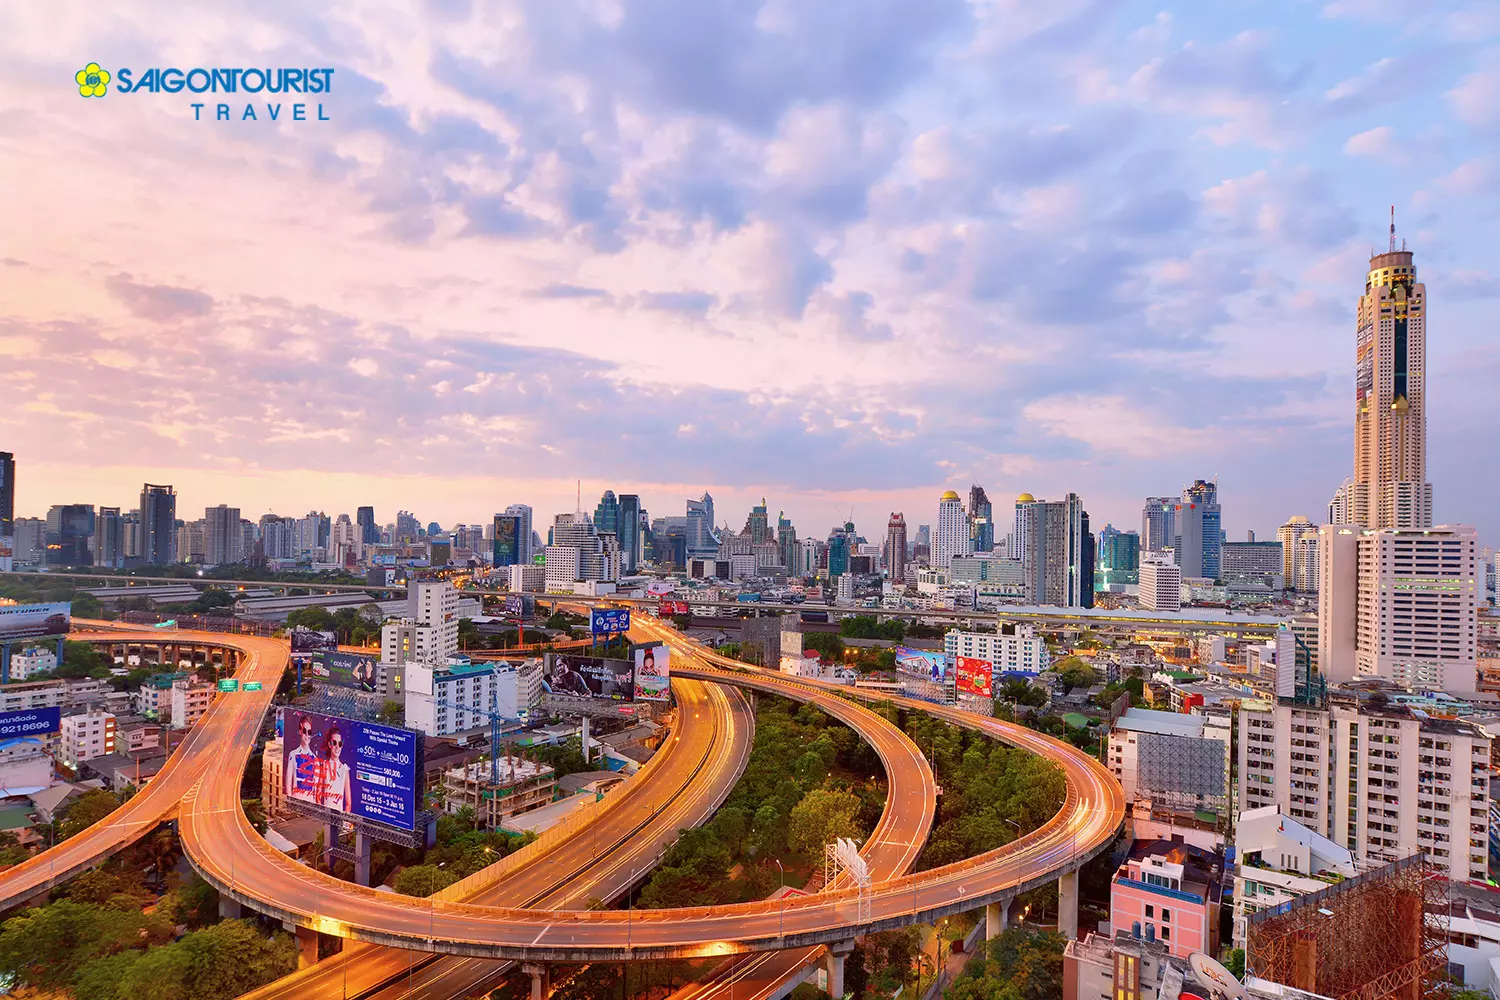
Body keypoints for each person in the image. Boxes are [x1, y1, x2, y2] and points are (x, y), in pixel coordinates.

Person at [286, 715, 321, 803]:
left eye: (309, 732)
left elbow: (316, 789)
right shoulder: (293, 754)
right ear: (300, 732)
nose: (307, 735)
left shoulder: (315, 759)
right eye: (304, 731)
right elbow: (288, 783)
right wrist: (291, 803)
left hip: (310, 804)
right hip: (296, 802)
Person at [318, 724, 352, 812]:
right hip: (325, 816)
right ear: (329, 744)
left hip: (339, 817)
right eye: (334, 743)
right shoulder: (324, 766)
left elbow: (348, 803)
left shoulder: (345, 770)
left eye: (340, 744)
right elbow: (318, 795)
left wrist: (343, 820)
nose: (337, 747)